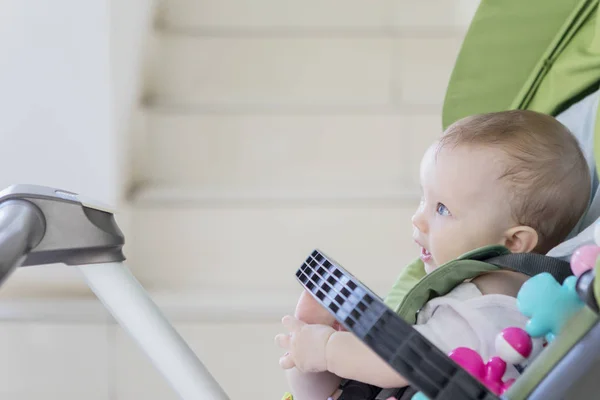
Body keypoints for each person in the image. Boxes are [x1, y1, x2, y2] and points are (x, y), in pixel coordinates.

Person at [274, 110, 592, 400]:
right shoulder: (467, 292)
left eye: (442, 209)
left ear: (513, 242)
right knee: (316, 378)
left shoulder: (493, 307)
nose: (418, 219)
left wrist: (329, 349)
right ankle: (307, 359)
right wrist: (317, 350)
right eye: (423, 200)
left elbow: (408, 361)